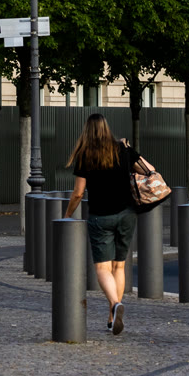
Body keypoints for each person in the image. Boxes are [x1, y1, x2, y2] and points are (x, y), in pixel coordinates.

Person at [64, 112, 137, 336]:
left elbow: (78, 193)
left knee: (102, 268)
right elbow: (145, 168)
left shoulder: (85, 155)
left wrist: (67, 215)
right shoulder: (122, 149)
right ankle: (112, 317)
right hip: (127, 213)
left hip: (100, 217)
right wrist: (128, 148)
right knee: (119, 266)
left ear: (87, 131)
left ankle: (115, 304)